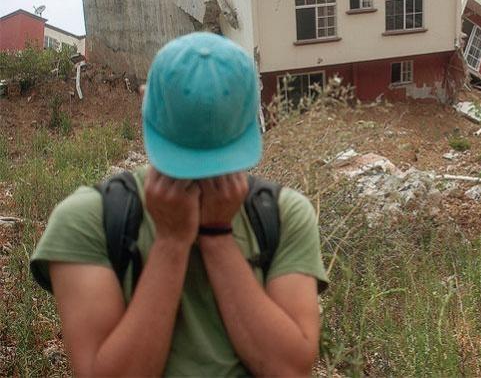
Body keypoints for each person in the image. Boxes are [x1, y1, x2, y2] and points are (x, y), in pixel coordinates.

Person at [30, 32, 328, 377]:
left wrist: (217, 237)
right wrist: (171, 243)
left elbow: (289, 369)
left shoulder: (282, 214)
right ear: (253, 117)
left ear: (145, 105)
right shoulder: (91, 220)